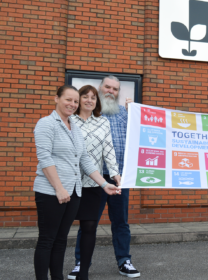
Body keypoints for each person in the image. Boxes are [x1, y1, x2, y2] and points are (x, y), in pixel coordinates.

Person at [33, 85, 120, 280]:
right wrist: (59, 188)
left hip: (73, 192)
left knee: (61, 240)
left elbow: (84, 160)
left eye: (74, 101)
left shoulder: (73, 126)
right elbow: (45, 158)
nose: (72, 104)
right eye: (68, 100)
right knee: (47, 240)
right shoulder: (46, 124)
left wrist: (104, 184)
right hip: (51, 191)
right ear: (57, 99)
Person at [69, 76, 140, 279]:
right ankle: (81, 263)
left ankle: (124, 261)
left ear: (118, 92)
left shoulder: (125, 115)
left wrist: (135, 113)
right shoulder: (90, 115)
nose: (110, 91)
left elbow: (142, 134)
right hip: (93, 177)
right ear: (100, 88)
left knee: (121, 222)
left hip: (119, 177)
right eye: (107, 87)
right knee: (88, 222)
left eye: (115, 89)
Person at [66, 85, 121, 280]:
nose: (89, 100)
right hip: (69, 183)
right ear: (78, 99)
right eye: (85, 97)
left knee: (89, 227)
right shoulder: (69, 120)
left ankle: (83, 272)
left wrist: (115, 174)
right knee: (61, 227)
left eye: (93, 98)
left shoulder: (103, 122)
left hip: (93, 182)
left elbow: (109, 149)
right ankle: (56, 270)